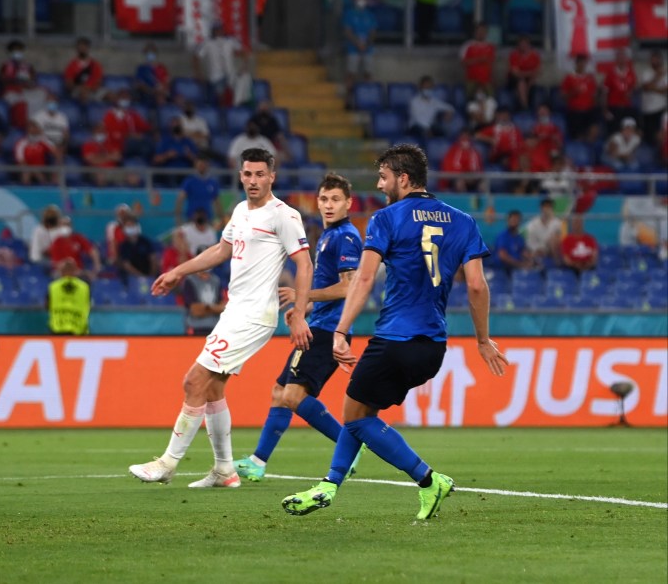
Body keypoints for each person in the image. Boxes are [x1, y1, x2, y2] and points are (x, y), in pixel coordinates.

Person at [281, 143, 507, 519]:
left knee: (355, 416)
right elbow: (478, 286)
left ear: (403, 178)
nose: (380, 182)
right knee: (360, 409)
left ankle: (428, 479)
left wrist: (340, 330)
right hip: (433, 346)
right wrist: (483, 340)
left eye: (384, 176)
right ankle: (329, 486)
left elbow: (364, 278)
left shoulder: (387, 219)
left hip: (395, 338)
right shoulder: (463, 221)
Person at [128, 147, 313, 489]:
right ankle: (225, 471)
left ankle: (167, 463)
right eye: (248, 174)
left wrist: (299, 313)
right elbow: (220, 250)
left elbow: (304, 263)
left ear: (272, 176)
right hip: (235, 310)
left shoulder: (283, 215)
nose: (253, 180)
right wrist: (178, 272)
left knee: (192, 381)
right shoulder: (241, 210)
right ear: (240, 175)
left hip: (255, 314)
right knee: (212, 388)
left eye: (260, 174)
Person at [233, 173, 365, 483]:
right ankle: (257, 461)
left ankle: (350, 444)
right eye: (323, 199)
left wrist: (302, 296)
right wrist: (303, 308)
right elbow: (328, 286)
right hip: (319, 322)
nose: (328, 205)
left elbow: (348, 288)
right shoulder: (328, 236)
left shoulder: (346, 237)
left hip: (329, 330)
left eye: (335, 199)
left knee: (291, 395)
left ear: (348, 203)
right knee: (280, 392)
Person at [193, 22, 245, 107]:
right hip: (215, 76)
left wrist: (243, 67)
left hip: (230, 75)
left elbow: (243, 52)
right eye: (216, 30)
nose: (218, 32)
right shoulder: (207, 43)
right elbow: (196, 56)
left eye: (219, 29)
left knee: (235, 98)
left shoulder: (230, 41)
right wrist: (198, 73)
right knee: (220, 98)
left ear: (223, 30)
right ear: (212, 31)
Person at [342, 0, 377, 107]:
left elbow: (373, 32)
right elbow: (347, 31)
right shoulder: (349, 14)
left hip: (368, 49)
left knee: (368, 73)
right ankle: (349, 100)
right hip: (353, 48)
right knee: (351, 74)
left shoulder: (370, 15)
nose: (361, 1)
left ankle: (367, 99)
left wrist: (366, 44)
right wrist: (357, 43)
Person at [560, 54, 599, 142]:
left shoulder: (590, 78)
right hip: (575, 111)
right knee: (578, 135)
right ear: (576, 64)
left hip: (589, 110)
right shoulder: (569, 78)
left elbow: (594, 95)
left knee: (594, 128)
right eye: (580, 62)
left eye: (584, 63)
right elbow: (562, 96)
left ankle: (589, 146)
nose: (582, 65)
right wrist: (573, 93)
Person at [102, 90, 152, 159]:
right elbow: (113, 133)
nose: (125, 100)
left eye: (127, 98)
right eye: (123, 98)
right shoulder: (110, 115)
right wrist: (129, 135)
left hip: (134, 142)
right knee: (140, 144)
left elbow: (143, 126)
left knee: (149, 142)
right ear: (117, 100)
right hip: (119, 143)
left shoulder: (132, 114)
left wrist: (152, 127)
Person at [49, 216, 102, 281]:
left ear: (71, 226)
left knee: (87, 277)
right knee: (56, 277)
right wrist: (70, 270)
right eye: (63, 225)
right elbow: (56, 263)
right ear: (59, 227)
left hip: (78, 271)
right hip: (62, 272)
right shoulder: (57, 242)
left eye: (67, 224)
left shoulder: (78, 238)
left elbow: (92, 251)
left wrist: (97, 265)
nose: (65, 227)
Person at [175, 156, 223, 227]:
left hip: (207, 220)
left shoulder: (213, 183)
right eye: (200, 165)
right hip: (191, 219)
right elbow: (180, 200)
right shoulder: (189, 182)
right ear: (195, 165)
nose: (202, 167)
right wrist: (178, 219)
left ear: (208, 165)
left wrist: (221, 219)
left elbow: (217, 202)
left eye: (204, 165)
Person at [47, 259, 91, 335]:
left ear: (61, 272)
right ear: (76, 271)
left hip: (57, 329)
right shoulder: (85, 287)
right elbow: (88, 304)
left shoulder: (53, 287)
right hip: (79, 330)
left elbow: (47, 305)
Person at [152, 118, 198, 187]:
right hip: (170, 172)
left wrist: (189, 155)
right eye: (174, 126)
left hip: (185, 171)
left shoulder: (188, 142)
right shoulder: (165, 142)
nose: (176, 127)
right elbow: (156, 160)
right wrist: (167, 155)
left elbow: (197, 161)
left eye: (178, 125)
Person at [601, 48, 637, 135]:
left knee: (627, 131)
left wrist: (631, 91)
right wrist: (605, 110)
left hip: (626, 107)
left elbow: (635, 86)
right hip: (614, 107)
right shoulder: (610, 73)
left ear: (626, 59)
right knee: (613, 132)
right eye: (619, 57)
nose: (621, 59)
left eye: (623, 57)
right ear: (616, 59)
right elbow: (605, 93)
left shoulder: (631, 72)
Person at [408, 76, 454, 140]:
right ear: (421, 87)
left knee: (442, 132)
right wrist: (427, 130)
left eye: (429, 87)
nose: (427, 89)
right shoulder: (414, 102)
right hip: (417, 127)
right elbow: (418, 119)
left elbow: (449, 107)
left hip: (430, 128)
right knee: (421, 132)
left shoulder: (434, 101)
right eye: (425, 87)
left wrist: (449, 112)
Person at [13, 119, 58, 185]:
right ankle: (25, 190)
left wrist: (55, 169)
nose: (33, 130)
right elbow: (20, 160)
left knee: (40, 174)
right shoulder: (21, 143)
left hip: (41, 169)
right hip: (26, 168)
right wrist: (31, 169)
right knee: (26, 174)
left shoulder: (43, 141)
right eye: (31, 128)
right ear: (27, 130)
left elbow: (56, 152)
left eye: (35, 127)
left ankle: (45, 189)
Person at [182, 269, 225, 336]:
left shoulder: (216, 280)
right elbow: (195, 311)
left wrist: (207, 308)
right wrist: (215, 309)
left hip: (216, 327)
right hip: (196, 327)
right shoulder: (189, 281)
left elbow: (222, 308)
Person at [116, 213, 159, 280]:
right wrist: (141, 277)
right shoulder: (123, 246)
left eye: (132, 225)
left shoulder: (145, 242)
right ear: (124, 229)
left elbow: (153, 259)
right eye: (128, 226)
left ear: (137, 226)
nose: (131, 228)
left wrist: (151, 276)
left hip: (149, 276)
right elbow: (126, 265)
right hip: (132, 279)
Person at [63, 37, 104, 104]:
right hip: (78, 90)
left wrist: (90, 88)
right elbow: (69, 84)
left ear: (88, 48)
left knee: (111, 95)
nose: (82, 49)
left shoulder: (95, 65)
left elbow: (99, 81)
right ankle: (85, 113)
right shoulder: (71, 65)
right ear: (77, 49)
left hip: (93, 90)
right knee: (83, 93)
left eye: (84, 47)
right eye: (80, 47)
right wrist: (81, 87)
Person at [639, 50, 668, 145]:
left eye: (656, 60)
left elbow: (665, 90)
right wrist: (657, 77)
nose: (654, 62)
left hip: (661, 109)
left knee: (661, 136)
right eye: (652, 60)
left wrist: (653, 87)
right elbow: (646, 88)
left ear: (661, 60)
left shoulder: (666, 74)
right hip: (647, 110)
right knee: (649, 137)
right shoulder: (646, 73)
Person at [460, 23, 496, 97]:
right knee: (471, 103)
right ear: (475, 32)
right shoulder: (467, 45)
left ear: (486, 33)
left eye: (483, 31)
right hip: (472, 80)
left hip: (486, 81)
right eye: (479, 31)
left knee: (490, 102)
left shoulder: (490, 46)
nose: (481, 33)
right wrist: (479, 59)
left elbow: (490, 63)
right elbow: (463, 63)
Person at [506, 35, 540, 111]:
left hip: (529, 80)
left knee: (531, 81)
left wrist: (524, 73)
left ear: (529, 45)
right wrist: (529, 73)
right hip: (513, 80)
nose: (523, 46)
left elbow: (537, 72)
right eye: (521, 44)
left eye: (525, 44)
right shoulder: (514, 55)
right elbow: (515, 73)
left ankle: (527, 105)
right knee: (521, 82)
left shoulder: (535, 56)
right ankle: (525, 107)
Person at [525, 197, 563, 265]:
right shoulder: (533, 223)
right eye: (545, 206)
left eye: (549, 206)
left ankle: (558, 264)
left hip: (552, 250)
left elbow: (560, 239)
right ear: (541, 208)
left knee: (554, 239)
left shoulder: (558, 223)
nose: (547, 209)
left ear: (552, 209)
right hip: (538, 250)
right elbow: (530, 240)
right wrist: (538, 249)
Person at [134, 42, 171, 106]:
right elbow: (139, 84)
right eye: (148, 52)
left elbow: (167, 82)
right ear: (145, 54)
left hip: (160, 93)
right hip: (147, 94)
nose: (150, 54)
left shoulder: (161, 67)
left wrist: (161, 90)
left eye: (152, 52)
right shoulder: (141, 68)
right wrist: (152, 91)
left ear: (156, 54)